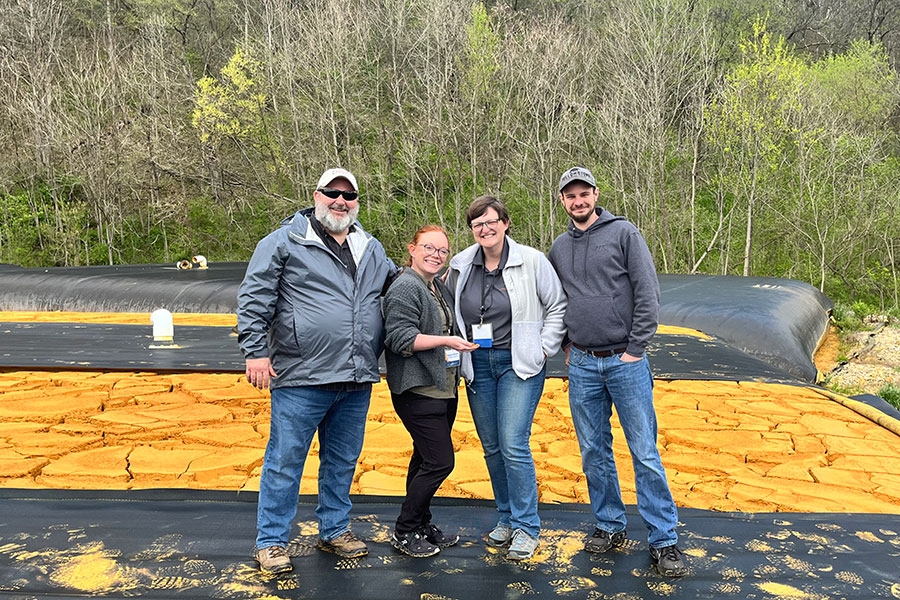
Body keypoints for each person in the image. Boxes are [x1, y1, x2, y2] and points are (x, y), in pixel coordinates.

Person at [237, 168, 397, 575]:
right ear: (316, 195)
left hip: (357, 376)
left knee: (342, 460)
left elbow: (398, 286)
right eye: (332, 193)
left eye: (349, 195)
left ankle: (335, 529)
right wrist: (255, 351)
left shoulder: (371, 247)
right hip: (302, 376)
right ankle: (271, 542)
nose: (340, 201)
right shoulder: (284, 242)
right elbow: (255, 296)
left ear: (357, 202)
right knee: (285, 461)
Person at [548, 166, 688, 578]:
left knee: (644, 451)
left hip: (625, 362)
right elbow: (556, 300)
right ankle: (609, 524)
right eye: (570, 195)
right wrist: (566, 346)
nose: (579, 201)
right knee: (594, 451)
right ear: (562, 201)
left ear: (595, 193)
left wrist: (635, 349)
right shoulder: (558, 247)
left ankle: (664, 540)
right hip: (585, 365)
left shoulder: (625, 234)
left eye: (584, 193)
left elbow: (647, 291)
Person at [447, 195, 567, 561]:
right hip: (477, 364)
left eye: (490, 221)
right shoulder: (461, 264)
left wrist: (542, 348)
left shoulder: (532, 261)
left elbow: (558, 305)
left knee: (513, 442)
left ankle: (527, 527)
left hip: (518, 364)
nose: (485, 229)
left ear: (505, 222)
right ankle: (506, 517)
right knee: (492, 446)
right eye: (477, 224)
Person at [383, 225, 478, 558]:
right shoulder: (406, 287)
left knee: (423, 457)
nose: (435, 255)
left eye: (442, 251)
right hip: (417, 389)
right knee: (440, 462)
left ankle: (421, 523)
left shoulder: (436, 285)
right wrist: (447, 341)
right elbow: (399, 338)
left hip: (443, 388)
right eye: (429, 248)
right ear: (412, 248)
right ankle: (405, 529)